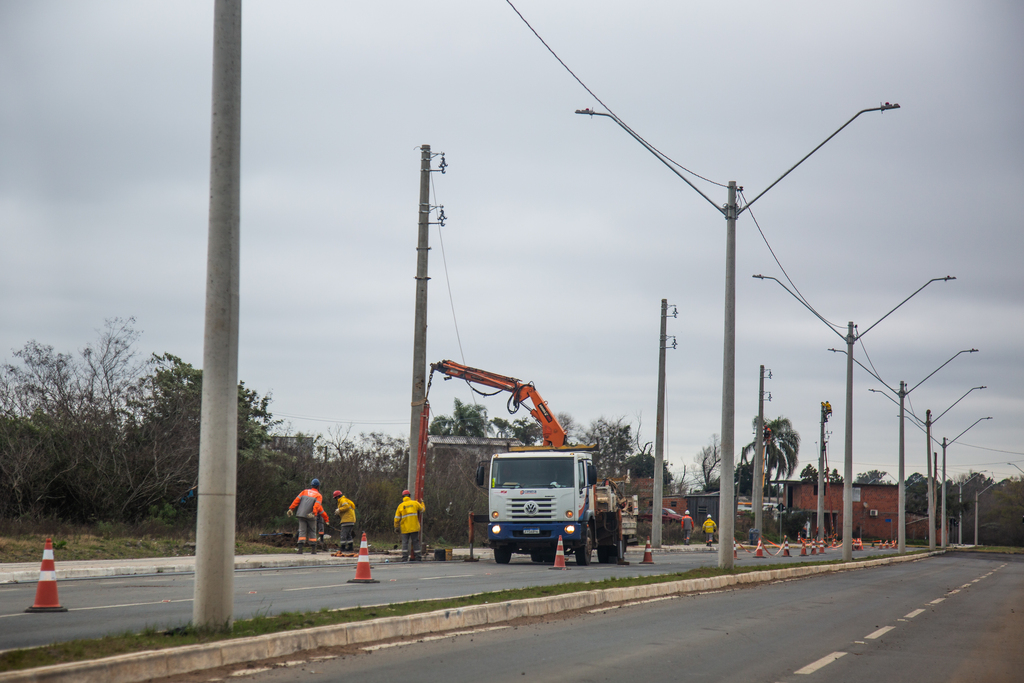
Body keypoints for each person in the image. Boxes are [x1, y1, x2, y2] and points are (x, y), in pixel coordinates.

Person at [288, 479, 329, 554]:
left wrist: (291, 509)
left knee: (302, 531)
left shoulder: (304, 491)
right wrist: (316, 514)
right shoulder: (318, 495)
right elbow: (318, 506)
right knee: (312, 531)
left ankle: (300, 549)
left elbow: (296, 500)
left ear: (311, 485)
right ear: (318, 487)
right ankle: (313, 550)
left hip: (301, 514)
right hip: (311, 515)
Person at [394, 489, 425, 561]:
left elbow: (396, 518)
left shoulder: (401, 506)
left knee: (405, 543)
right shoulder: (415, 503)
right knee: (415, 542)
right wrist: (422, 502)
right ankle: (418, 557)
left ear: (403, 497)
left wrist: (396, 527)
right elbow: (422, 510)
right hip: (414, 527)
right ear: (409, 496)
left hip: (405, 528)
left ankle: (404, 558)